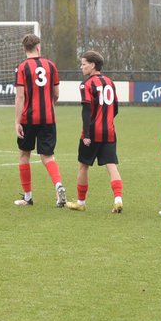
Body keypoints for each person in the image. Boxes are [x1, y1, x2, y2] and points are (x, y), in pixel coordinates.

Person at [65, 50, 123, 213]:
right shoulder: (110, 82)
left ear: (92, 65)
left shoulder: (86, 84)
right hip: (109, 131)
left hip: (92, 132)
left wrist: (87, 134)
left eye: (83, 64)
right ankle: (118, 199)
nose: (81, 67)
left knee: (83, 166)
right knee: (111, 166)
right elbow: (115, 108)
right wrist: (106, 120)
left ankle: (81, 202)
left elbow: (86, 111)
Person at [13, 33, 67, 207]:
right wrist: (49, 105)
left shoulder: (22, 67)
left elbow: (20, 97)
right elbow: (56, 93)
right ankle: (58, 186)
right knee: (48, 156)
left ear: (24, 48)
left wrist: (17, 121)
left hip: (28, 118)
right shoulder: (51, 65)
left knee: (24, 155)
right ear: (38, 47)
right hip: (48, 118)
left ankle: (28, 197)